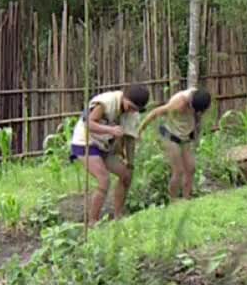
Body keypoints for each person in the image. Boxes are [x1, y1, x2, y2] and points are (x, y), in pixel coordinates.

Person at [70, 84, 150, 226]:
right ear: (124, 97)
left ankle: (118, 216)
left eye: (135, 109)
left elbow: (130, 139)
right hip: (85, 142)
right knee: (104, 179)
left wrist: (130, 163)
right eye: (130, 106)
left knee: (126, 175)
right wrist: (111, 130)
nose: (131, 111)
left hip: (104, 146)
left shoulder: (132, 114)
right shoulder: (107, 102)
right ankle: (92, 221)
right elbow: (88, 123)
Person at [137, 87, 212, 201]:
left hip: (185, 136)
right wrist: (140, 131)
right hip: (170, 135)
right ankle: (174, 201)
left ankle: (187, 199)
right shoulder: (179, 103)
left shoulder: (200, 97)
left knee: (191, 168)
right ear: (190, 103)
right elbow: (154, 113)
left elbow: (197, 119)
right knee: (178, 171)